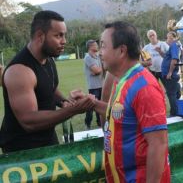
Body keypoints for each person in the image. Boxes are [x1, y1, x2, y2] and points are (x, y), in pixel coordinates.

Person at [0, 10, 95, 153]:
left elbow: (49, 87)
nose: (64, 41)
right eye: (58, 36)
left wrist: (64, 102)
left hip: (48, 137)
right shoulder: (19, 71)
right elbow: (28, 121)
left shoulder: (48, 59)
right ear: (40, 36)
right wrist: (73, 110)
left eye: (64, 35)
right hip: (22, 149)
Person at [95, 21, 170, 182]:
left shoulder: (144, 87)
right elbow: (120, 114)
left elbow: (158, 145)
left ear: (122, 50)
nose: (99, 53)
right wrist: (91, 103)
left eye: (103, 46)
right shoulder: (121, 80)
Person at [83, 39, 103, 129]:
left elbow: (100, 70)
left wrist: (99, 70)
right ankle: (87, 123)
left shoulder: (98, 56)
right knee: (91, 105)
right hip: (94, 86)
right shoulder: (88, 57)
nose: (97, 46)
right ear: (90, 47)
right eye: (95, 45)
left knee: (100, 104)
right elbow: (97, 70)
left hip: (101, 84)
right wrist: (101, 69)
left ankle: (100, 123)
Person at [161, 31, 180, 117]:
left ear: (174, 38)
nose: (167, 39)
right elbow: (167, 58)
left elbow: (174, 60)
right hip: (168, 75)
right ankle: (176, 111)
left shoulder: (174, 46)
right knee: (172, 93)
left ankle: (174, 113)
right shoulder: (171, 47)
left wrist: (170, 72)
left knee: (171, 94)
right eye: (167, 37)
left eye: (170, 37)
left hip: (170, 75)